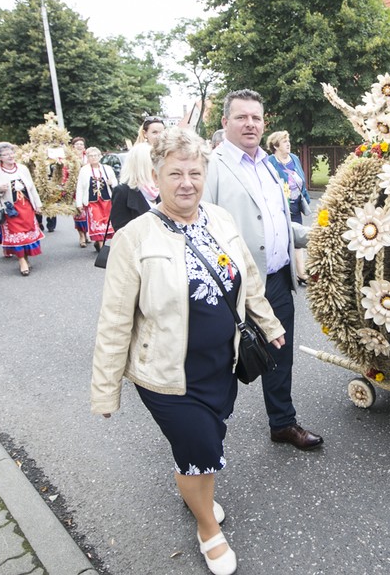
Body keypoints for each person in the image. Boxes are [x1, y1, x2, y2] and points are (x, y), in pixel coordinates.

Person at [92, 126, 284, 575]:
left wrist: (270, 324)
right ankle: (207, 528)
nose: (186, 183)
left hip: (222, 362)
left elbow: (248, 279)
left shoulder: (219, 219)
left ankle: (194, 487)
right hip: (166, 375)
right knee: (200, 449)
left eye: (194, 172)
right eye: (175, 173)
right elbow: (115, 320)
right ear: (156, 177)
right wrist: (105, 390)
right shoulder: (134, 238)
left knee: (206, 443)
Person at [203, 89, 323, 451]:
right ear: (225, 123)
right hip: (232, 288)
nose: (250, 124)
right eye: (242, 117)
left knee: (279, 355)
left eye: (256, 117)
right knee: (223, 363)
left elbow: (278, 222)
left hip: (277, 279)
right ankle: (204, 440)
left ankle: (282, 423)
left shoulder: (268, 166)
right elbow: (203, 229)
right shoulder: (212, 167)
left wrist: (311, 236)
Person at [0, 143, 44, 276]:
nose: (10, 156)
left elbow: (32, 188)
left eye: (11, 153)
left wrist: (38, 204)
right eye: (6, 154)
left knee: (27, 234)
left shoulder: (22, 168)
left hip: (26, 207)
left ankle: (26, 257)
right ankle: (21, 261)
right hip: (10, 209)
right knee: (16, 235)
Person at [266, 130, 311, 286]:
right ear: (276, 145)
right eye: (285, 142)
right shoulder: (270, 161)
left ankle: (301, 273)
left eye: (289, 141)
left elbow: (301, 179)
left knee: (297, 238)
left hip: (296, 205)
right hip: (280, 207)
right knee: (282, 240)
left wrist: (303, 197)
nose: (288, 144)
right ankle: (284, 274)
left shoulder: (294, 159)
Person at [75, 147, 117, 251]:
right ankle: (102, 247)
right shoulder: (84, 170)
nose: (93, 158)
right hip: (92, 201)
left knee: (107, 223)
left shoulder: (107, 168)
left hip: (107, 200)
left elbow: (116, 182)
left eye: (95, 156)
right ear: (87, 157)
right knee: (97, 222)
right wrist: (79, 203)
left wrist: (112, 182)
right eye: (91, 156)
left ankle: (101, 243)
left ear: (100, 157)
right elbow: (80, 187)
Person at [109, 142, 158, 231]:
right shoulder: (122, 192)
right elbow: (121, 230)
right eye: (153, 160)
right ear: (142, 164)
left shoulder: (158, 190)